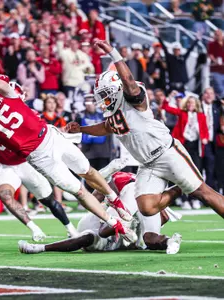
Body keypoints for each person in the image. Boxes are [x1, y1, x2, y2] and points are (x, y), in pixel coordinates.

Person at [0, 68, 137, 242]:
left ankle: (115, 201)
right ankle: (115, 224)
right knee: (78, 191)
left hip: (50, 136)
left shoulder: (5, 93)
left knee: (87, 170)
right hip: (37, 156)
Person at [66, 39, 224, 219]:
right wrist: (82, 129)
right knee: (147, 208)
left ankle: (188, 187)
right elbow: (107, 127)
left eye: (104, 93)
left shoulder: (134, 98)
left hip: (167, 153)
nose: (103, 99)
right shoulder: (114, 112)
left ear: (117, 87)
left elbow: (128, 80)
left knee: (204, 193)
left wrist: (113, 53)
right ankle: (180, 188)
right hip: (148, 164)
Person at [0, 80, 81, 240]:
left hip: (28, 162)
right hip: (7, 165)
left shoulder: (29, 112)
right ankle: (34, 229)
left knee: (49, 201)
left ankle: (70, 228)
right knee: (5, 195)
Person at [19, 160, 182, 255]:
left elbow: (164, 218)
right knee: (94, 236)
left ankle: (169, 241)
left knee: (149, 239)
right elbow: (99, 217)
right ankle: (40, 248)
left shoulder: (147, 189)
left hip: (123, 228)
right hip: (99, 224)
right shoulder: (127, 183)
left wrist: (141, 225)